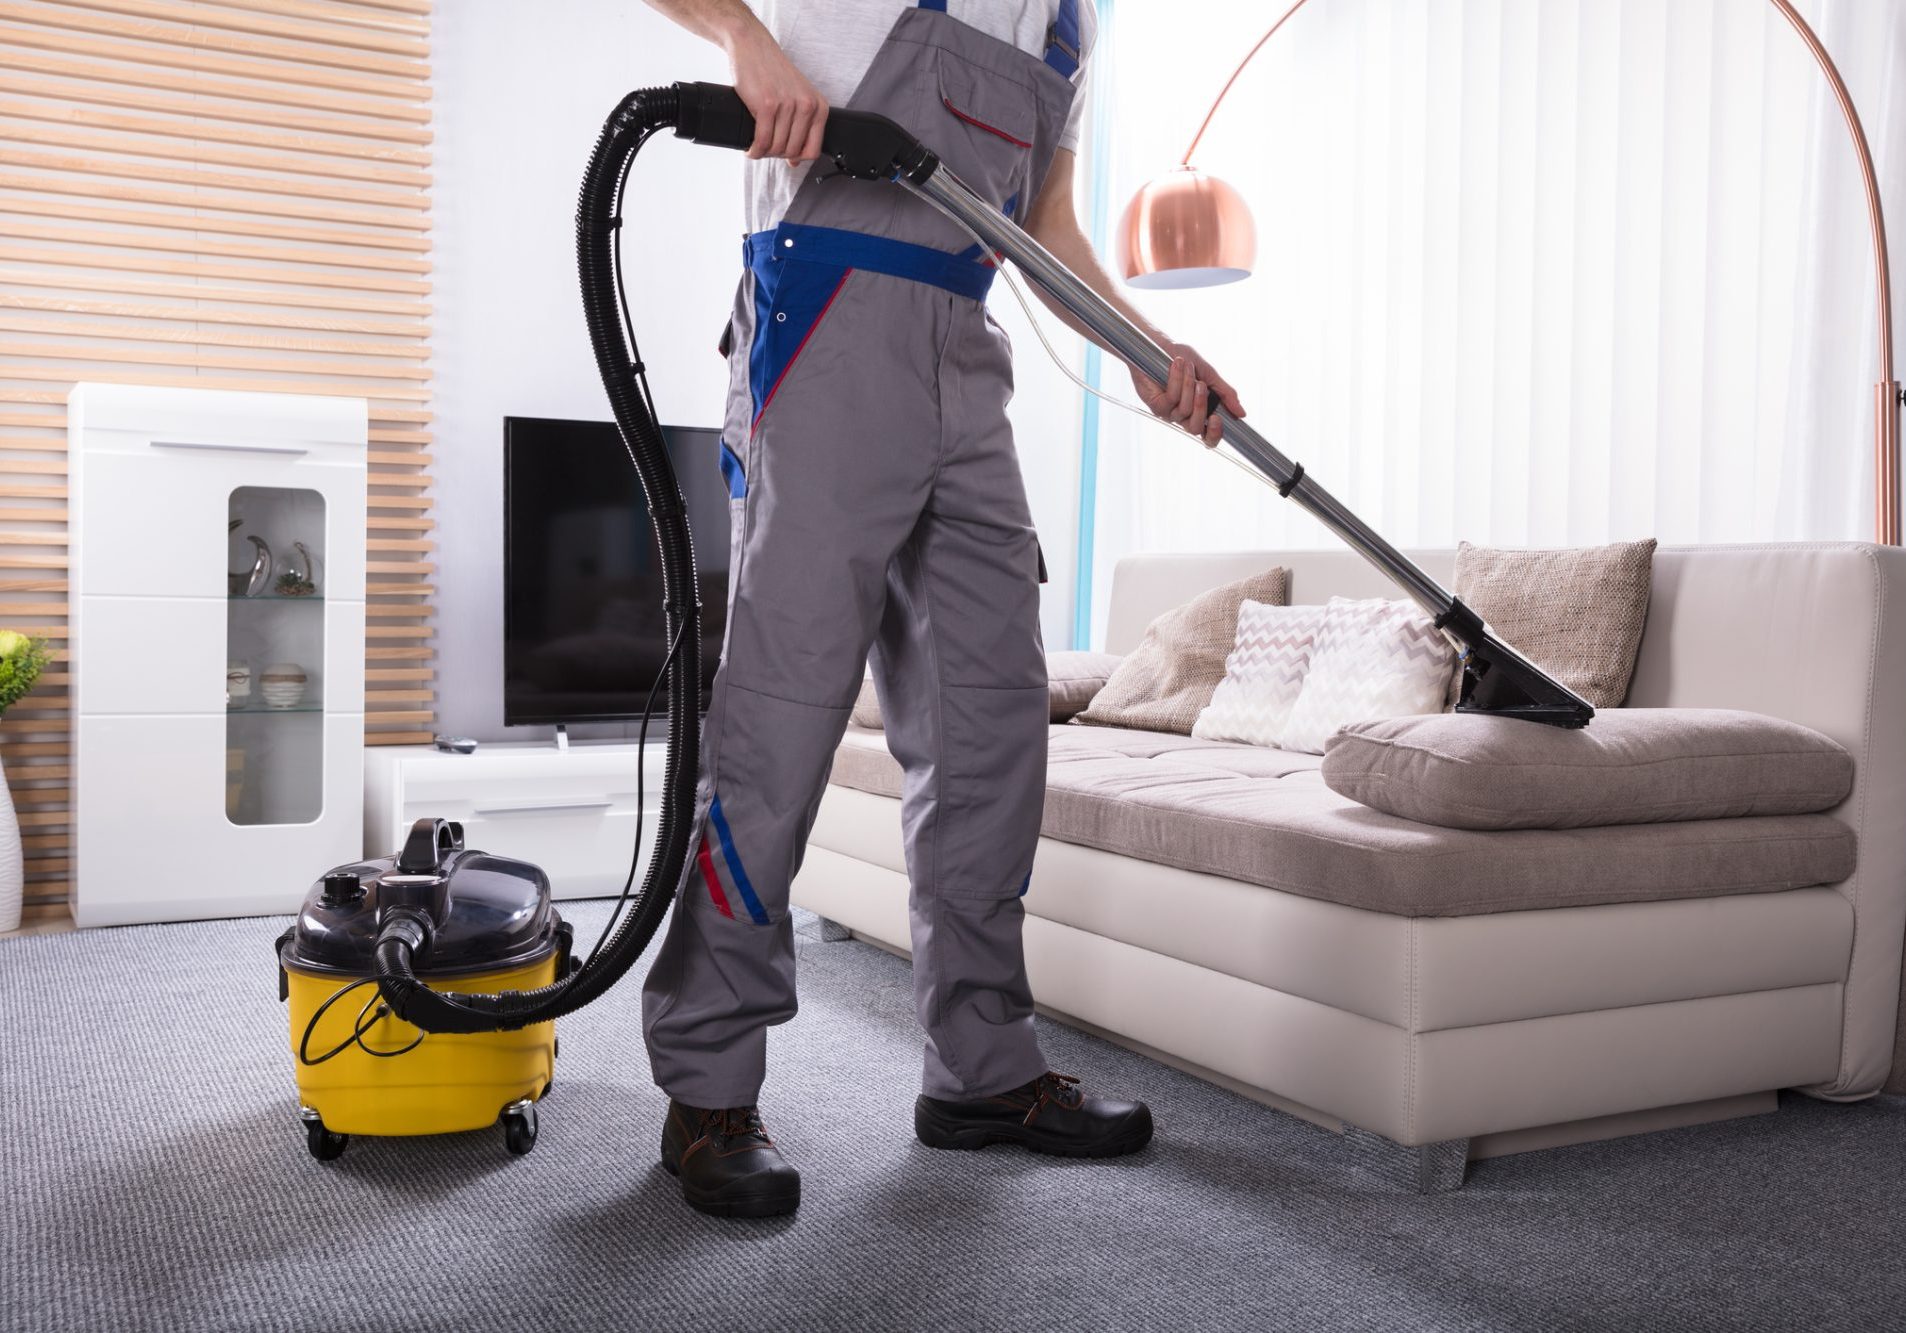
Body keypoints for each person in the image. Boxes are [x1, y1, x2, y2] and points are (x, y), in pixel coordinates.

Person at [640, 0, 1246, 1219]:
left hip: (965, 364)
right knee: (780, 720)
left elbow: (1047, 228)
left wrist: (1143, 344)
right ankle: (708, 1085)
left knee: (992, 728)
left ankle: (981, 1066)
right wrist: (743, 41)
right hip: (819, 323)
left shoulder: (1073, 30)